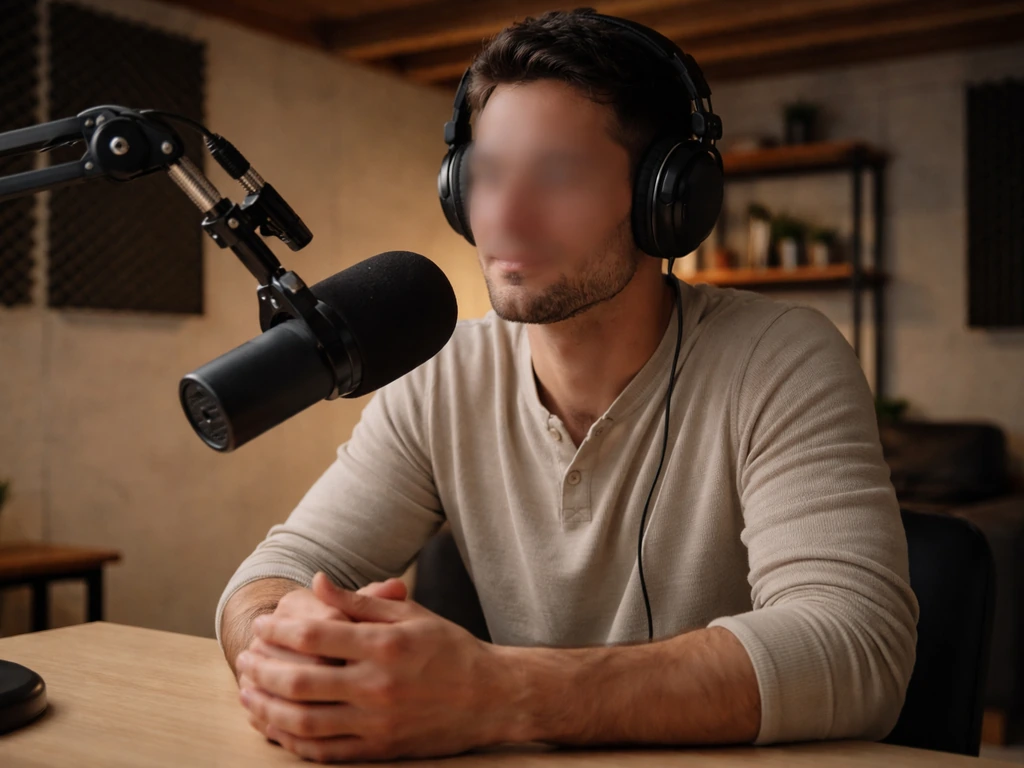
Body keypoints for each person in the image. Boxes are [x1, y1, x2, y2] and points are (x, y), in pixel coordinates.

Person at [217, 9, 918, 764]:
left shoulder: (782, 357)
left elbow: (855, 648)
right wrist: (290, 650)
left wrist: (499, 691)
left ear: (665, 199)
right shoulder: (439, 373)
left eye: (557, 173)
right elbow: (271, 576)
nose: (504, 218)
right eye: (485, 175)